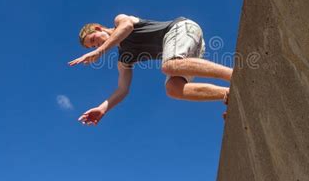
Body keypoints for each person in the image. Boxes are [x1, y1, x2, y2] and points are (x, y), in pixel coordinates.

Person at [68, 14, 232, 126]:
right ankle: (228, 93)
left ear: (98, 28)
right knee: (173, 88)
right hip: (187, 49)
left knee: (169, 65)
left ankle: (234, 75)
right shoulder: (123, 59)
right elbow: (122, 89)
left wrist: (99, 51)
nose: (96, 46)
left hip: (182, 28)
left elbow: (127, 27)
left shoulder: (120, 21)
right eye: (93, 46)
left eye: (94, 40)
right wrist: (102, 108)